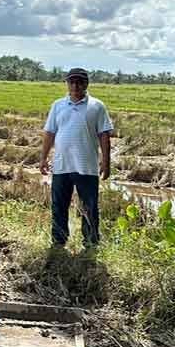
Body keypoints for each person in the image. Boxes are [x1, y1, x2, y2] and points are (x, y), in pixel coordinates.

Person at [39, 67, 113, 248]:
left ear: (86, 84)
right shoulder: (58, 105)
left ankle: (90, 243)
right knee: (59, 206)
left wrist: (106, 162)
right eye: (72, 81)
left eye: (80, 82)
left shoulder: (97, 106)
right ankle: (58, 242)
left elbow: (104, 135)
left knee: (89, 207)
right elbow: (49, 133)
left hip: (86, 166)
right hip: (62, 165)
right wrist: (43, 158)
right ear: (66, 83)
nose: (75, 85)